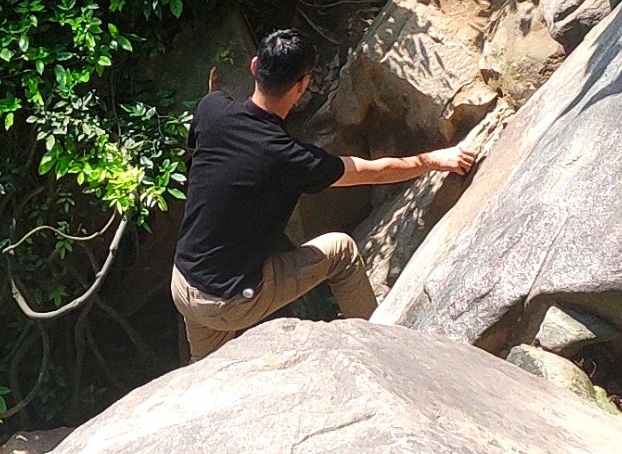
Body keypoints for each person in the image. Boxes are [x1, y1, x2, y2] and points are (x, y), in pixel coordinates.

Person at [170, 28, 480, 360]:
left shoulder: (211, 109)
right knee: (341, 251)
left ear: (255, 66)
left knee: (205, 368)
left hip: (183, 283)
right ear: (302, 86)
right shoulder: (290, 159)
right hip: (230, 299)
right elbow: (372, 171)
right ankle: (382, 349)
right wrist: (434, 160)